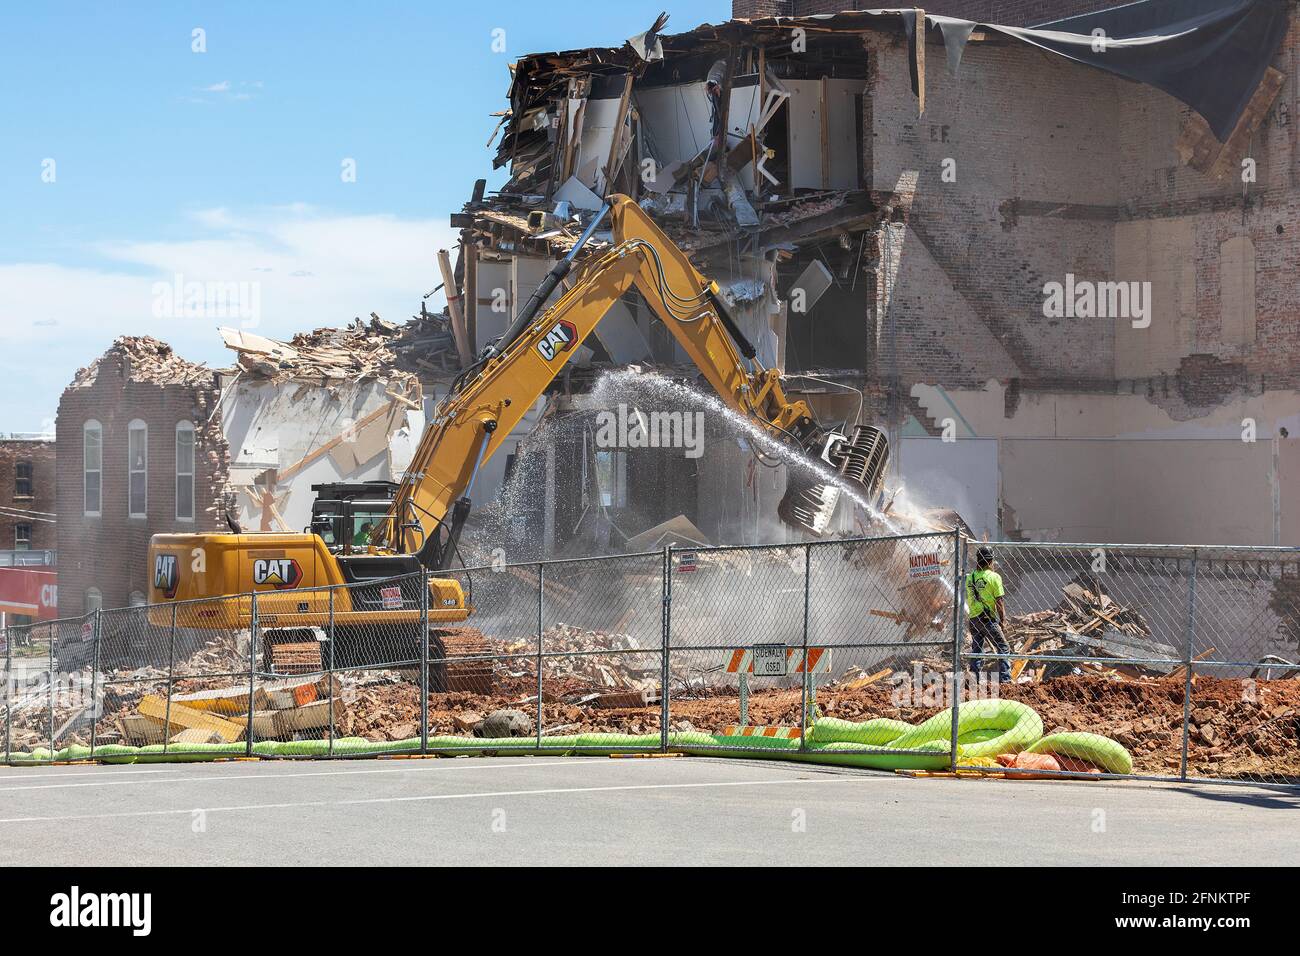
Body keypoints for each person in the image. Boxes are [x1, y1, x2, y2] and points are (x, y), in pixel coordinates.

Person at [966, 546, 1011, 685]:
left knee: (977, 649)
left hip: (973, 619)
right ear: (990, 561)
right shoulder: (994, 577)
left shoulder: (970, 577)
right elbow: (999, 601)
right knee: (1003, 647)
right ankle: (1005, 680)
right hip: (987, 619)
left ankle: (973, 679)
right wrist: (1003, 621)